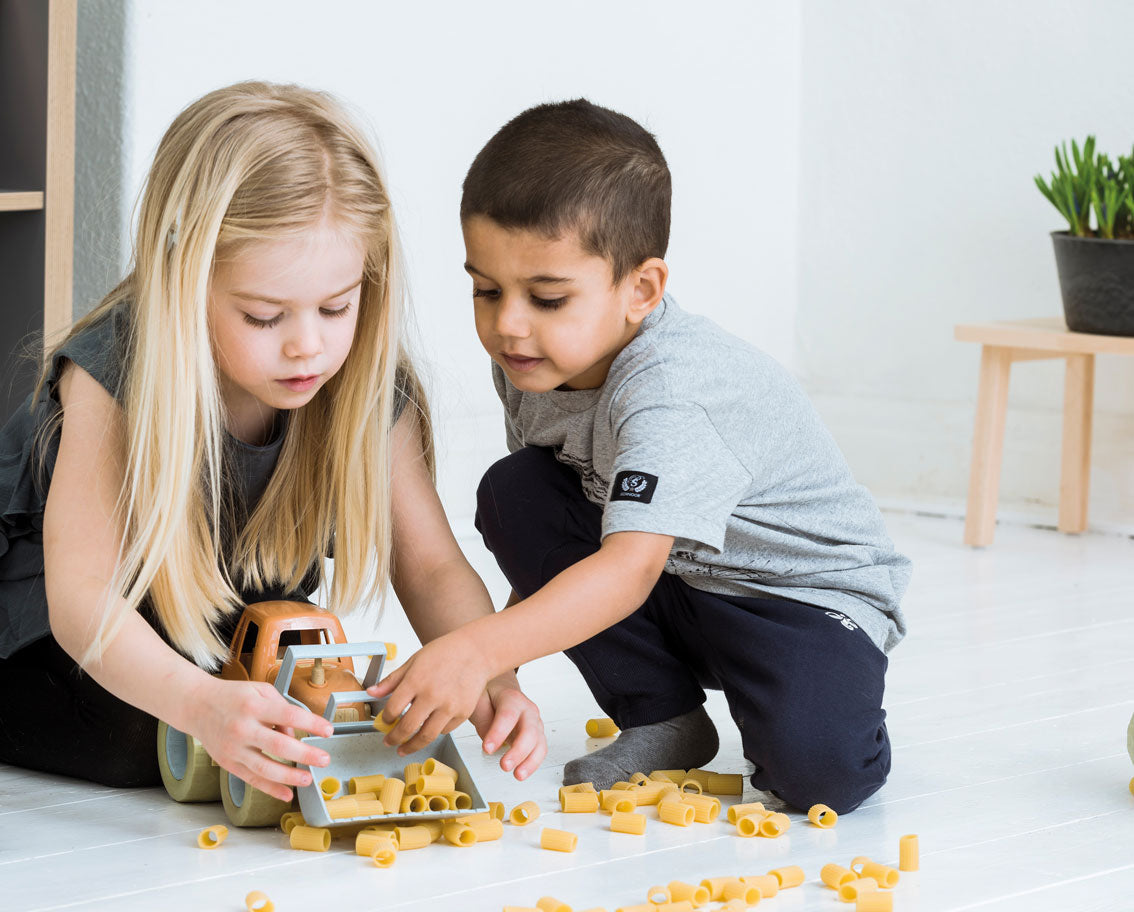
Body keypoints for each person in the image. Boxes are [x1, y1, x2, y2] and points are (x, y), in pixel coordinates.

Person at [0, 82, 544, 800]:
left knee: (307, 714)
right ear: (184, 285)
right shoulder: (113, 372)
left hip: (213, 614)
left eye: (336, 307)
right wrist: (196, 706)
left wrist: (489, 672)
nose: (308, 347)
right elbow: (82, 600)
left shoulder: (365, 384)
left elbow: (432, 567)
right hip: (50, 631)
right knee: (139, 737)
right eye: (264, 316)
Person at [371, 98, 911, 814]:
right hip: (682, 583)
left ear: (642, 290)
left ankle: (822, 706)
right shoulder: (533, 362)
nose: (508, 325)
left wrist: (477, 651)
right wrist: (495, 673)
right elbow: (560, 540)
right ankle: (663, 718)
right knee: (518, 491)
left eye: (547, 297)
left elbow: (625, 572)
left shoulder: (673, 391)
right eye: (486, 289)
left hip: (797, 600)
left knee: (818, 779)